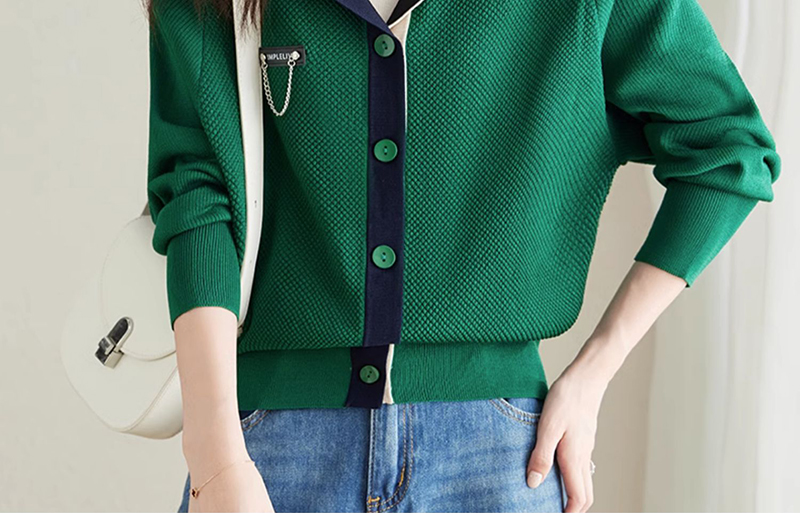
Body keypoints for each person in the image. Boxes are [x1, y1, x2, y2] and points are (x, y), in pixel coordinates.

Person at [143, 0, 781, 511]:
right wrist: (215, 457)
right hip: (267, 451)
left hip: (500, 455)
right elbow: (196, 197)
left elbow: (729, 150)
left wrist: (592, 375)